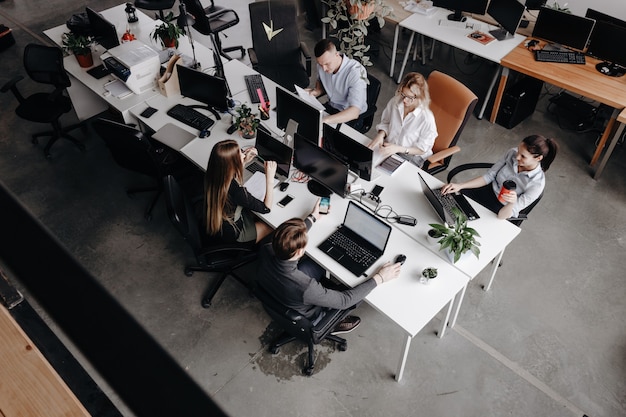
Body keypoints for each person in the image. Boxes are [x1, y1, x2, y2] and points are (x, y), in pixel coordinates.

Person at [257, 200, 402, 334]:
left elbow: (286, 236)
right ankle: (333, 324)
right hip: (309, 314)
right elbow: (345, 300)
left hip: (279, 293)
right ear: (300, 251)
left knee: (319, 260)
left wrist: (312, 218)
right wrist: (380, 277)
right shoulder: (306, 287)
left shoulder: (267, 247)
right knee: (359, 291)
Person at [442, 135, 559, 220]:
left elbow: (502, 216)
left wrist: (512, 203)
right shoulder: (512, 153)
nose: (517, 157)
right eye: (518, 151)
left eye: (523, 156)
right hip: (486, 190)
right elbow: (489, 176)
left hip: (500, 208)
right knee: (447, 205)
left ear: (538, 158)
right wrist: (460, 185)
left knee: (466, 226)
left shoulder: (537, 184)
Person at [204, 139, 277, 244]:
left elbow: (231, 177)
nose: (244, 154)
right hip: (235, 233)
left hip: (218, 222)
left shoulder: (212, 174)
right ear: (233, 164)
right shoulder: (238, 192)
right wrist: (270, 178)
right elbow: (266, 209)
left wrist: (244, 162)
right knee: (274, 226)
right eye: (242, 153)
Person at [368, 72, 438, 168]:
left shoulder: (426, 118)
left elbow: (422, 149)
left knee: (385, 174)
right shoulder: (395, 101)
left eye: (410, 98)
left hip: (411, 155)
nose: (404, 100)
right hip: (390, 146)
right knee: (366, 163)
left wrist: (398, 149)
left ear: (420, 96)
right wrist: (381, 135)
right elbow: (386, 122)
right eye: (403, 94)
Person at [305, 39, 368, 128]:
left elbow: (354, 112)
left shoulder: (356, 72)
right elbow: (321, 83)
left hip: (349, 116)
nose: (324, 69)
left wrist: (325, 120)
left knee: (320, 131)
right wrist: (317, 91)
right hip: (332, 106)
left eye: (327, 64)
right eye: (320, 64)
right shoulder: (322, 64)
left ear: (337, 55)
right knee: (306, 120)